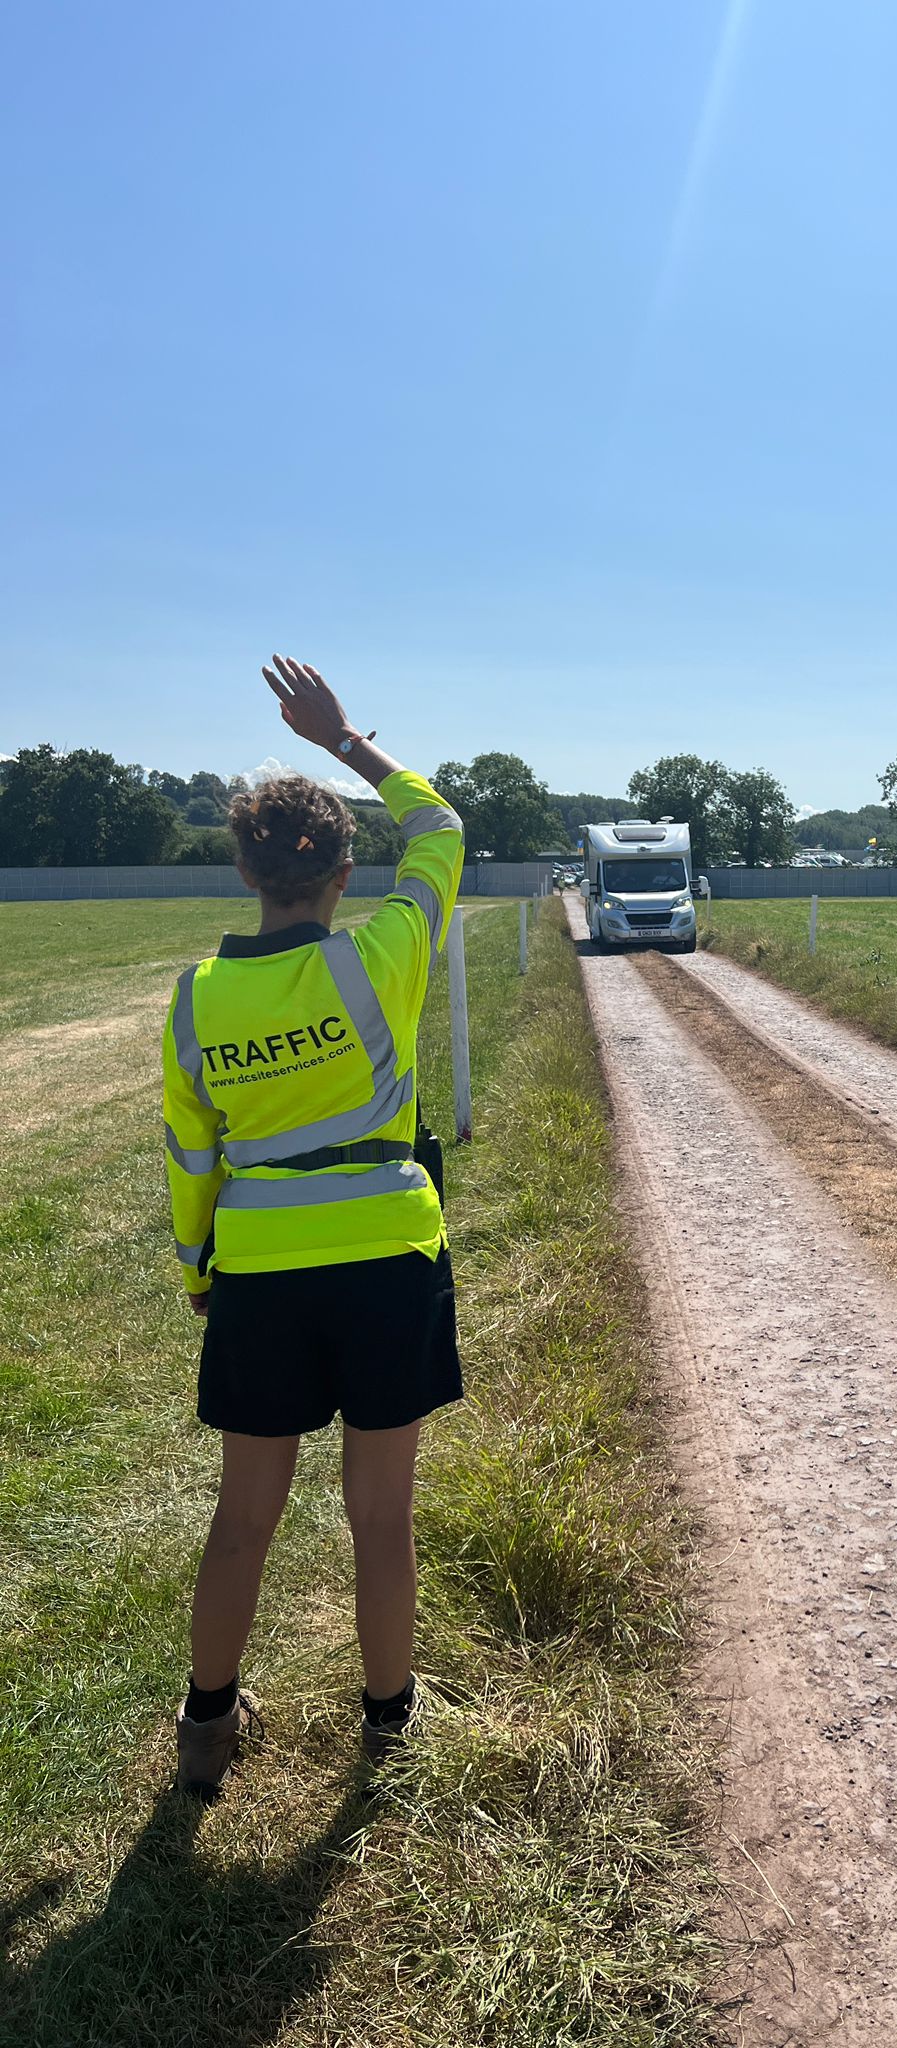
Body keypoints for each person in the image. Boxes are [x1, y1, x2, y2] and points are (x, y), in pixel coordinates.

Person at [162, 657, 465, 1797]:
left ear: (245, 871)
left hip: (258, 1268)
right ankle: (387, 1722)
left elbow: (193, 1152)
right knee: (381, 1515)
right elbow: (439, 825)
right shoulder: (384, 956)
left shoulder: (196, 999)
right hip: (388, 1256)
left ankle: (206, 1722)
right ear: (345, 873)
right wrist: (345, 741)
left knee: (244, 1513)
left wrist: (200, 1268)